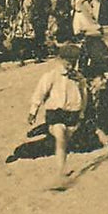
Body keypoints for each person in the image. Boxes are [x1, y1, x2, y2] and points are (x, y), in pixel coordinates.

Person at [27, 44, 86, 190]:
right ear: (60, 59)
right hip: (56, 113)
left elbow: (84, 96)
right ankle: (60, 173)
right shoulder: (51, 76)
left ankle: (63, 167)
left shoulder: (78, 78)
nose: (70, 65)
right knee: (60, 136)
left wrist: (82, 113)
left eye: (74, 62)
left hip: (72, 114)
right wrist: (33, 110)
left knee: (65, 140)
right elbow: (39, 93)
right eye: (68, 62)